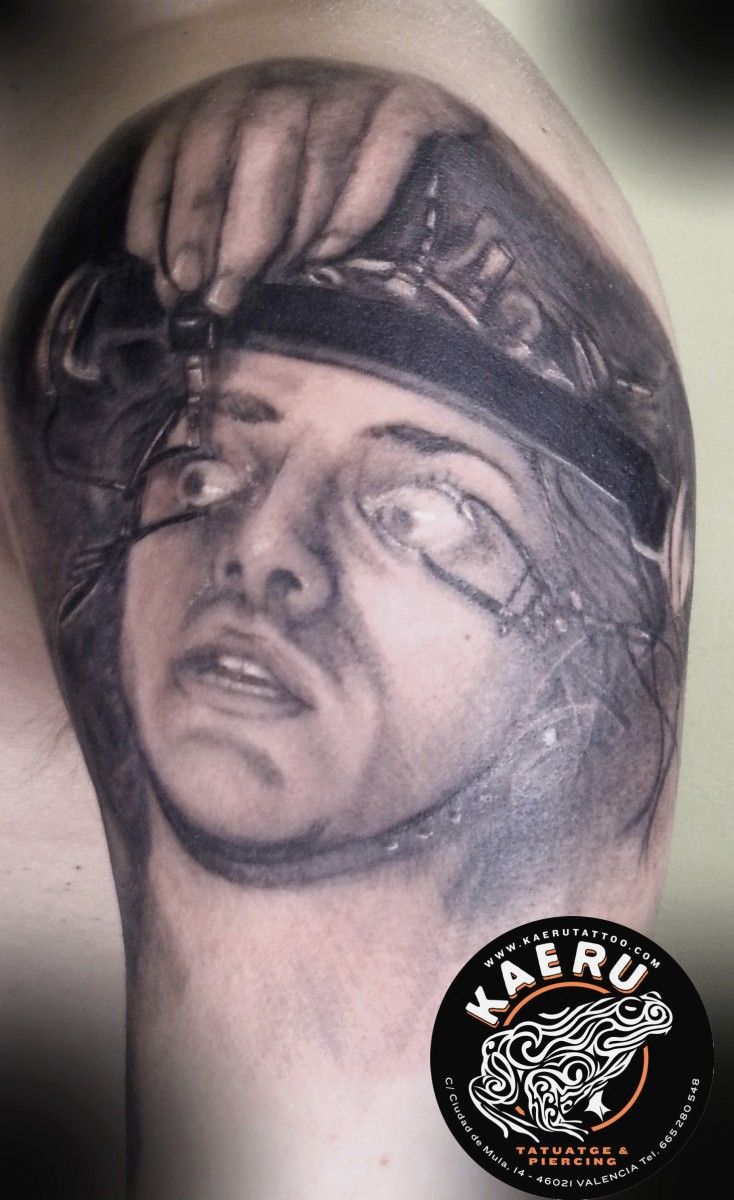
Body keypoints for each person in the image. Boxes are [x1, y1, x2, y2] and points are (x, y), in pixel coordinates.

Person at [0, 18, 695, 1200]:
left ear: (576, 647)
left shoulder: (294, 130)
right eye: (206, 470)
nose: (262, 554)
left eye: (420, 512)